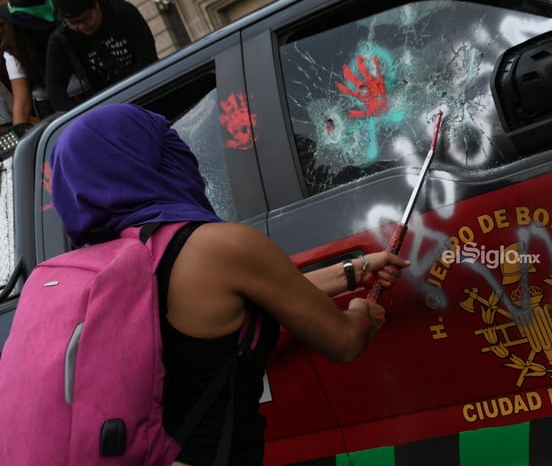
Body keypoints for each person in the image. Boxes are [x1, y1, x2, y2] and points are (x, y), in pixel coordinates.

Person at [49, 103, 409, 466]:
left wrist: (351, 270)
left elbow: (256, 294)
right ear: (149, 159)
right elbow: (344, 342)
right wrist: (361, 312)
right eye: (168, 143)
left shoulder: (94, 269)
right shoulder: (213, 247)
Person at [45, 0, 158, 111]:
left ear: (96, 4)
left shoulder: (121, 12)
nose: (81, 27)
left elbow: (147, 54)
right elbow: (54, 87)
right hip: (107, 108)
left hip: (148, 89)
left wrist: (131, 94)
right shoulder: (62, 38)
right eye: (73, 24)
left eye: (86, 19)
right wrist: (82, 115)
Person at [0, 0, 59, 137]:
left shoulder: (63, 26)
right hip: (49, 107)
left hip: (84, 93)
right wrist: (20, 140)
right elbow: (22, 102)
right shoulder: (14, 50)